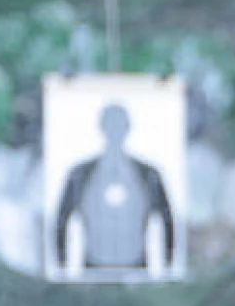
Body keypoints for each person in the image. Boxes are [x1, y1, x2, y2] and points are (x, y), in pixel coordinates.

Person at [55, 103, 175, 274]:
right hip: (94, 267)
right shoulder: (80, 175)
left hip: (136, 268)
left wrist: (168, 264)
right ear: (102, 128)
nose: (115, 131)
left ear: (127, 128)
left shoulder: (149, 175)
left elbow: (167, 218)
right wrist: (61, 263)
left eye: (119, 125)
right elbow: (62, 218)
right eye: (111, 125)